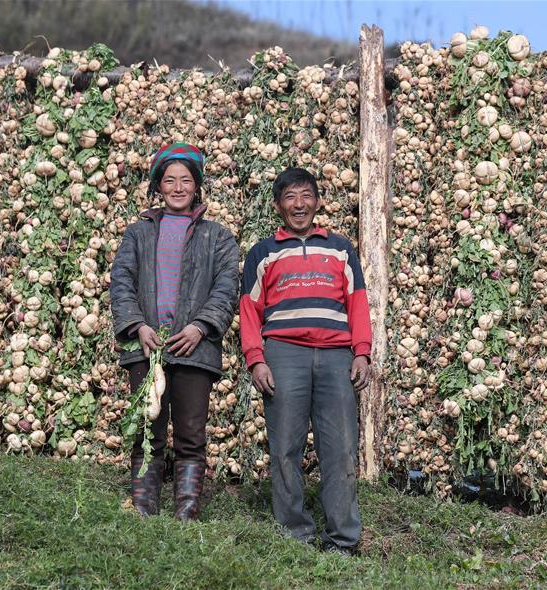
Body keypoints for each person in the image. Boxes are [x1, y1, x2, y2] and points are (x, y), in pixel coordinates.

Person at [240, 167, 373, 555]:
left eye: (306, 196)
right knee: (285, 448)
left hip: (336, 357)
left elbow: (358, 303)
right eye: (290, 197)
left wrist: (362, 352)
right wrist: (256, 359)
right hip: (284, 354)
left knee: (341, 448)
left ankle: (342, 539)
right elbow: (249, 310)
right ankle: (294, 535)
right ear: (277, 206)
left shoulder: (340, 249)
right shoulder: (263, 252)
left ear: (317, 202)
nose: (299, 204)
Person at [110, 143, 240, 521]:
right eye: (170, 181)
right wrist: (138, 326)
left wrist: (201, 327)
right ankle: (144, 508)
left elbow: (227, 287)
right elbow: (121, 283)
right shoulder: (138, 234)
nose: (178, 188)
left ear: (197, 186)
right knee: (146, 429)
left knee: (191, 432)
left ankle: (186, 512)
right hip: (147, 345)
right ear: (158, 186)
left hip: (194, 348)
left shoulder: (217, 236)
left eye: (186, 180)